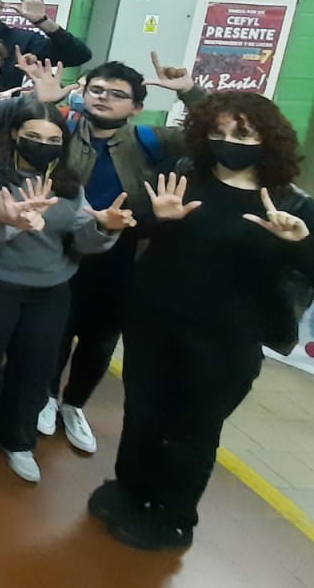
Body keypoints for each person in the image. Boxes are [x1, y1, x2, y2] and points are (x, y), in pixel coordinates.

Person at [94, 92, 314, 551]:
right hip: (153, 323)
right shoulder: (182, 176)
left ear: (268, 139)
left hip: (227, 339)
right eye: (217, 131)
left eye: (242, 135)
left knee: (193, 429)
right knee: (142, 413)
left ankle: (174, 517)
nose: (227, 142)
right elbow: (135, 225)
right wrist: (158, 220)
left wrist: (298, 246)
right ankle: (130, 489)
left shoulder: (291, 204)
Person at [5, 54, 202, 455]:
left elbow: (211, 134)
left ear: (137, 106)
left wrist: (190, 93)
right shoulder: (60, 128)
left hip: (122, 251)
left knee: (100, 336)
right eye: (96, 89)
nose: (103, 98)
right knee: (56, 328)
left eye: (116, 94)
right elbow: (10, 127)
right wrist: (41, 99)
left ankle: (74, 404)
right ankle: (46, 395)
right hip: (61, 243)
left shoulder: (151, 140)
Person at [0, 102, 131, 483]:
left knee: (35, 368)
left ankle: (17, 439)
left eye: (52, 139)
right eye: (33, 136)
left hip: (51, 289)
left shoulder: (69, 184)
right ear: (15, 134)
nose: (42, 145)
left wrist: (105, 227)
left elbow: (82, 238)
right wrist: (17, 220)